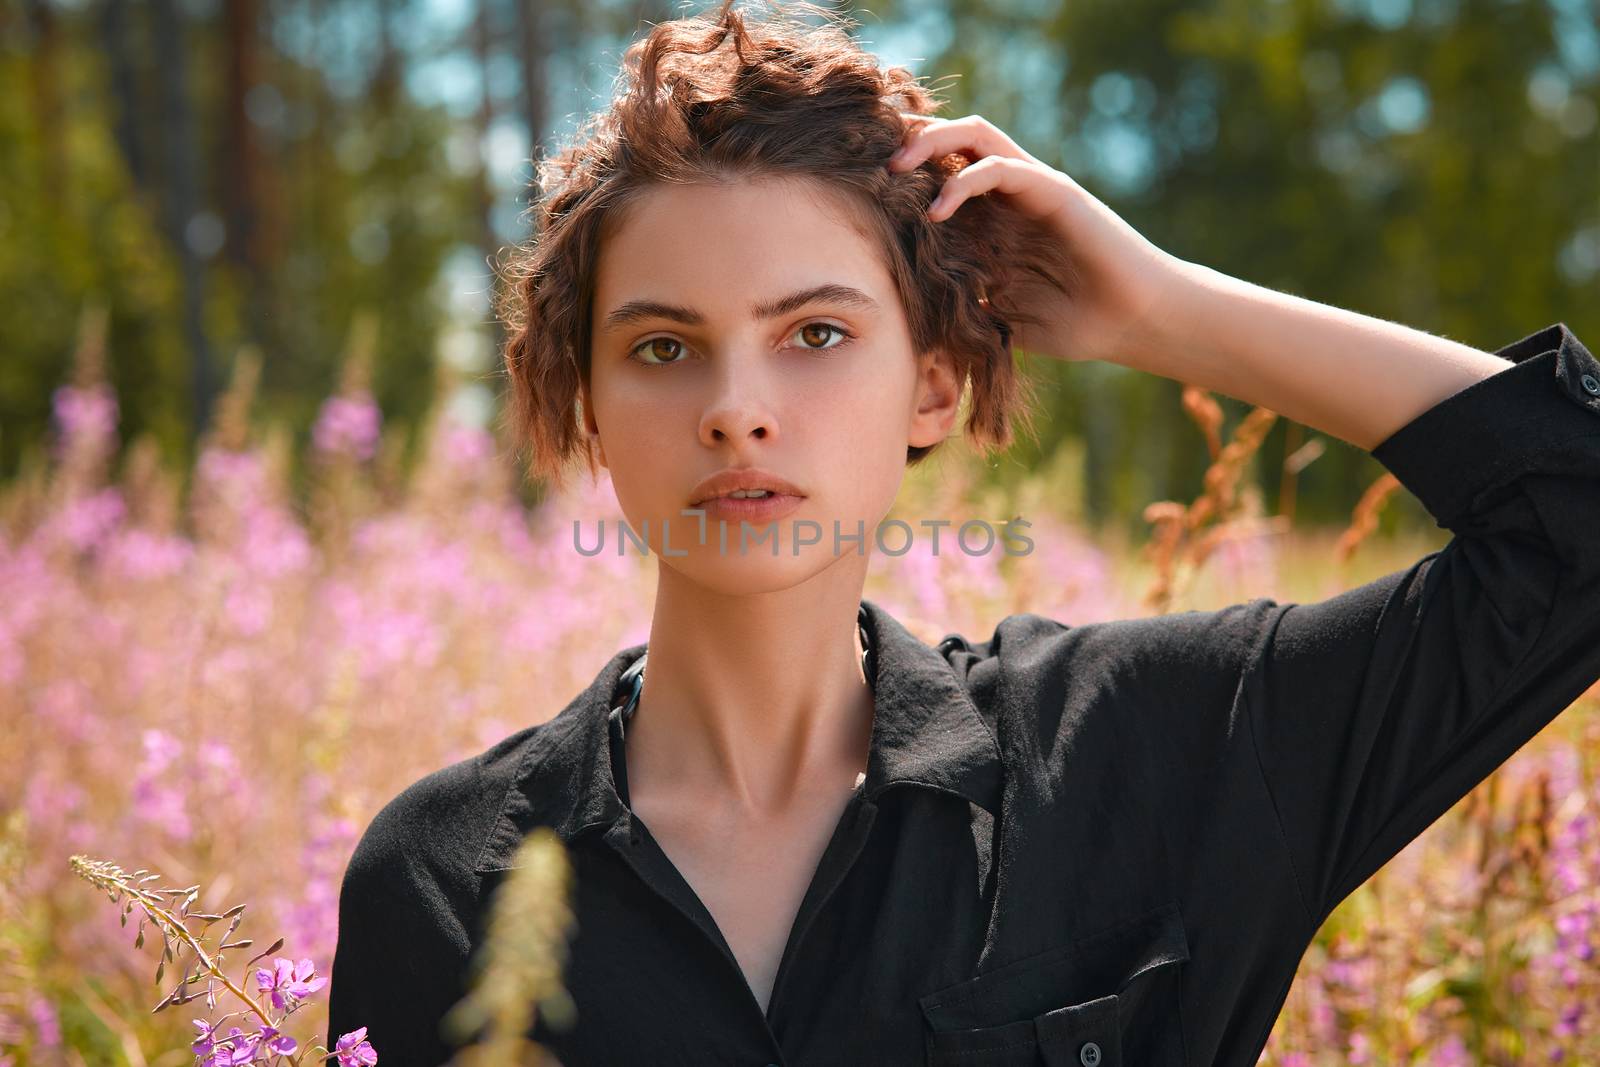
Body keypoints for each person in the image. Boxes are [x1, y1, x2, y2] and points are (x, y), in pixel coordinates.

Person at [325, 2, 1600, 1064]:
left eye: (814, 333)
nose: (734, 413)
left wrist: (1160, 310)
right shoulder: (437, 883)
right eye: (662, 347)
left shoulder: (1156, 750)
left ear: (934, 383)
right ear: (589, 410)